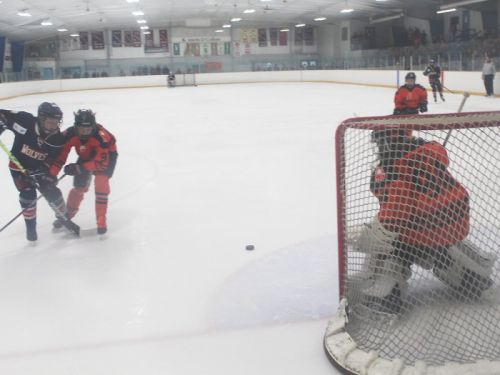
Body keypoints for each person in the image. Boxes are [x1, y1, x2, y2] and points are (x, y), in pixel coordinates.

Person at [355, 128, 495, 313]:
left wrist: (377, 231)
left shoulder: (392, 169)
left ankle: (384, 297)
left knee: (389, 247)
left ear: (386, 143)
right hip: (454, 226)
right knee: (442, 244)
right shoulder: (429, 153)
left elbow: (396, 213)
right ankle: (471, 278)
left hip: (420, 231)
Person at [0, 102, 73, 242]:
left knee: (52, 191)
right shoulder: (24, 121)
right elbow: (3, 115)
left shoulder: (57, 138)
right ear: (40, 118)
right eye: (50, 122)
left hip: (40, 170)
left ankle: (64, 218)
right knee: (28, 194)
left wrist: (45, 172)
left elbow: (53, 158)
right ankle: (31, 228)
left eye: (56, 122)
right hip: (18, 167)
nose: (54, 126)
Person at [50, 109, 118, 235]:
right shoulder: (70, 134)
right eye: (81, 130)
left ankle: (101, 221)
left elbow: (100, 162)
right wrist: (51, 175)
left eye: (87, 130)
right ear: (76, 127)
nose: (84, 133)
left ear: (93, 127)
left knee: (101, 186)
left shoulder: (101, 137)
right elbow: (60, 157)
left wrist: (79, 168)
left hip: (107, 156)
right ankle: (67, 216)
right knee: (79, 188)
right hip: (86, 155)